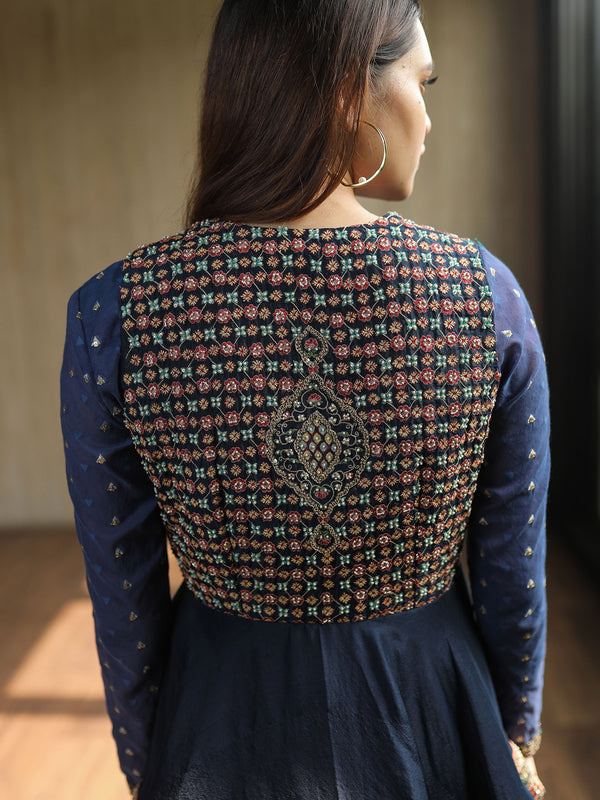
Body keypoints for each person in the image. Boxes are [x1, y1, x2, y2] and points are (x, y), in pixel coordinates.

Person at [60, 1, 549, 798]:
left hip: (220, 720)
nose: (429, 114)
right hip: (431, 709)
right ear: (348, 94)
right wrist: (510, 734)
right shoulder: (481, 296)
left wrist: (152, 763)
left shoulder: (116, 311)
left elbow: (125, 597)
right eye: (423, 81)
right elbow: (509, 578)